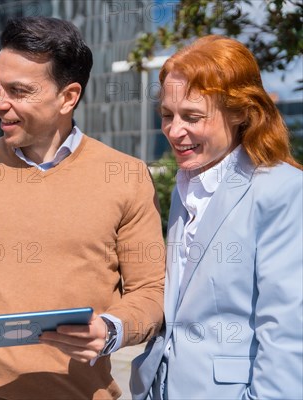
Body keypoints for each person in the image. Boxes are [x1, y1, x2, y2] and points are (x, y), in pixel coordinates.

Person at [0, 16, 165, 399]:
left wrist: (111, 329)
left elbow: (150, 291)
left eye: (18, 90)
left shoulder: (126, 176)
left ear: (68, 97)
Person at [130, 35, 303, 400]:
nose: (174, 131)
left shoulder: (282, 190)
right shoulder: (186, 186)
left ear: (241, 112)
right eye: (166, 115)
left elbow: (286, 328)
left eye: (192, 116)